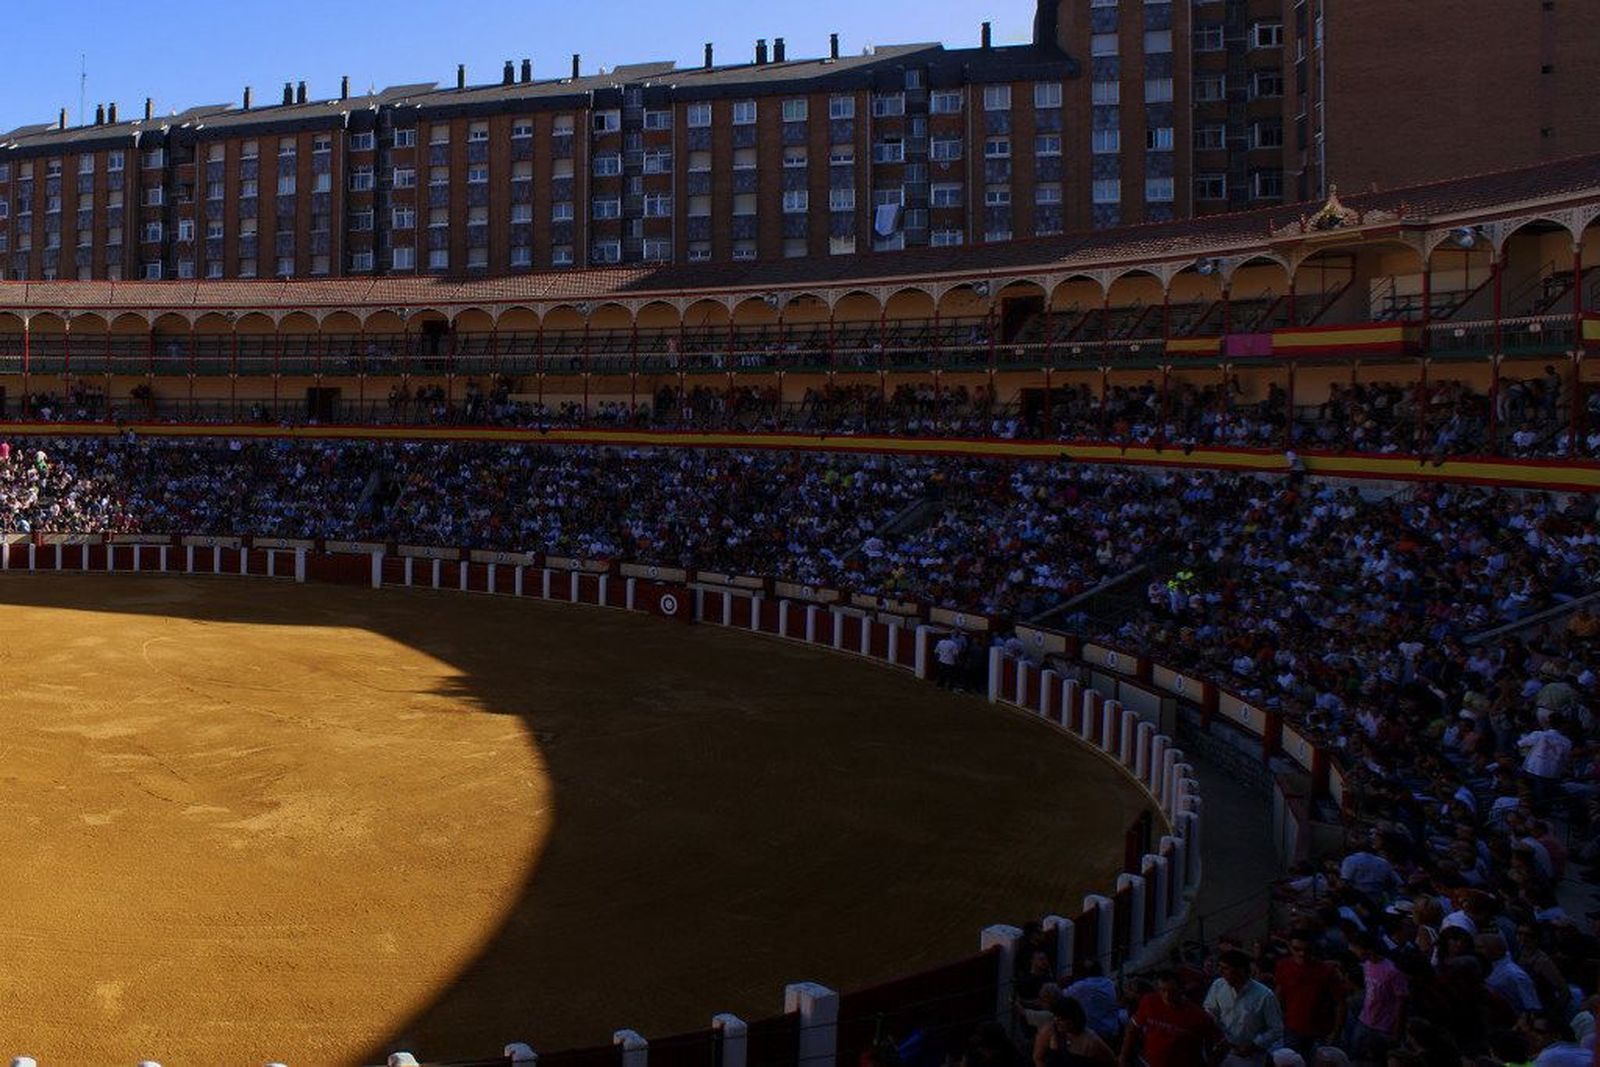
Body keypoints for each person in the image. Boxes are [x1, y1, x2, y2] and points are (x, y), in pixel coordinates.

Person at [1202, 949, 1284, 1067]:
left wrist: (1254, 1045)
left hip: (1249, 1058)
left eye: (1225, 968)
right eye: (1219, 967)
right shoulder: (1218, 985)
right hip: (1222, 1052)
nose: (1220, 971)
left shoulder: (1264, 996)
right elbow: (1209, 1010)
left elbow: (1276, 1029)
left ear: (1240, 970)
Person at [1121, 970, 1219, 1067]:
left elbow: (1215, 1046)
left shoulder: (1199, 1016)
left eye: (1172, 991)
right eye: (1162, 990)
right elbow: (1132, 1028)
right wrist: (1124, 1057)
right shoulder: (1149, 1001)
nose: (1167, 996)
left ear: (1181, 989)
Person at [1273, 933, 1345, 1058]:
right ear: (1290, 947)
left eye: (1307, 950)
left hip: (1320, 1031)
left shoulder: (1327, 971)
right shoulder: (1283, 966)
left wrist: (1335, 1032)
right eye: (1297, 949)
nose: (1302, 954)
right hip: (1293, 1029)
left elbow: (1340, 1003)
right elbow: (1279, 994)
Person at [1034, 997, 1116, 1067]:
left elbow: (1112, 1061)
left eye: (1061, 1019)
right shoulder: (1050, 1031)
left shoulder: (1091, 1040)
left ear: (1073, 1020)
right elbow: (1038, 1058)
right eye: (1056, 1017)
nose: (1057, 1021)